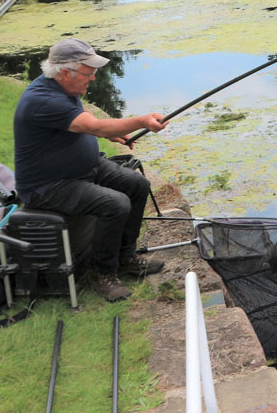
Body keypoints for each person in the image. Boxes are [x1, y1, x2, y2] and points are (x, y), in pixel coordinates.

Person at [13, 38, 169, 302]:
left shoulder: (65, 89)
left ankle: (125, 257)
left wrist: (114, 135)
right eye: (89, 73)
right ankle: (102, 274)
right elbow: (94, 126)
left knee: (137, 185)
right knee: (115, 204)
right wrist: (142, 120)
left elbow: (82, 121)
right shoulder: (42, 100)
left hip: (84, 168)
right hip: (49, 186)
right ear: (65, 72)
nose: (93, 78)